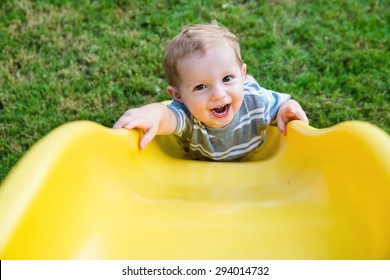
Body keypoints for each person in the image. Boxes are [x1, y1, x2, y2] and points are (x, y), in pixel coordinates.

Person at [114, 23, 308, 161]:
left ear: (241, 72)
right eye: (200, 87)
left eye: (226, 78)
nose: (218, 94)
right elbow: (165, 115)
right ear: (178, 96)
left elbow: (283, 105)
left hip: (252, 146)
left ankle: (246, 82)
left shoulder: (257, 102)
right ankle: (240, 82)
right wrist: (150, 114)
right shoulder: (187, 116)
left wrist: (288, 108)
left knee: (249, 90)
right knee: (238, 90)